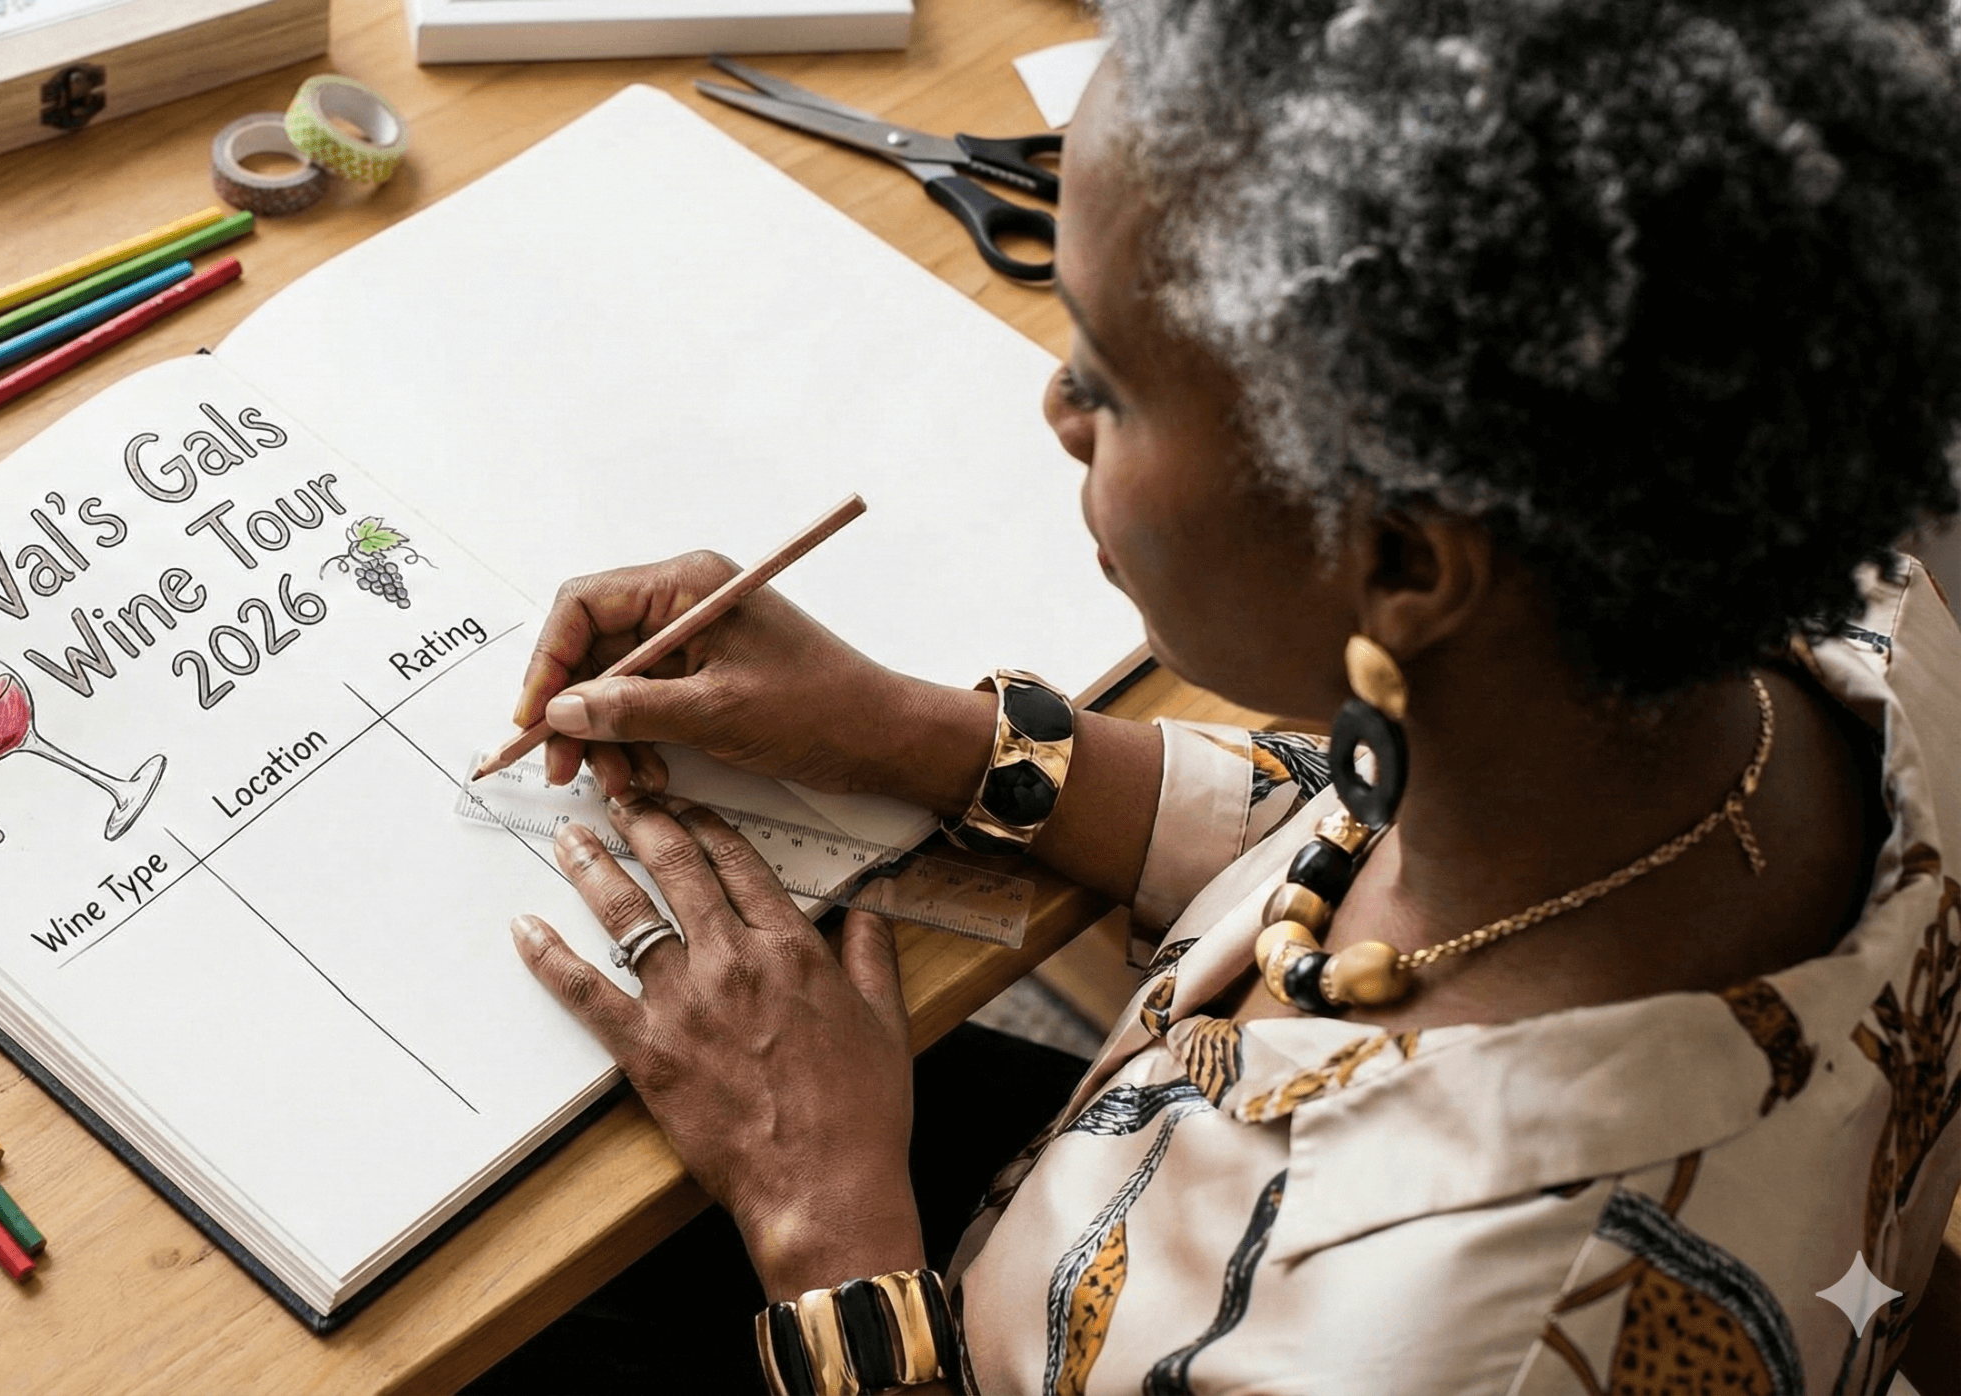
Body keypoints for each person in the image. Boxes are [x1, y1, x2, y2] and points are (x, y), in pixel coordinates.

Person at [473, 1, 1961, 1390]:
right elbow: (1361, 835)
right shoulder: (1820, 637)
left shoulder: (1438, 1334)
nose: (1055, 412)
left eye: (1109, 383)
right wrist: (917, 732)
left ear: (1398, 561)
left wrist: (833, 1233)